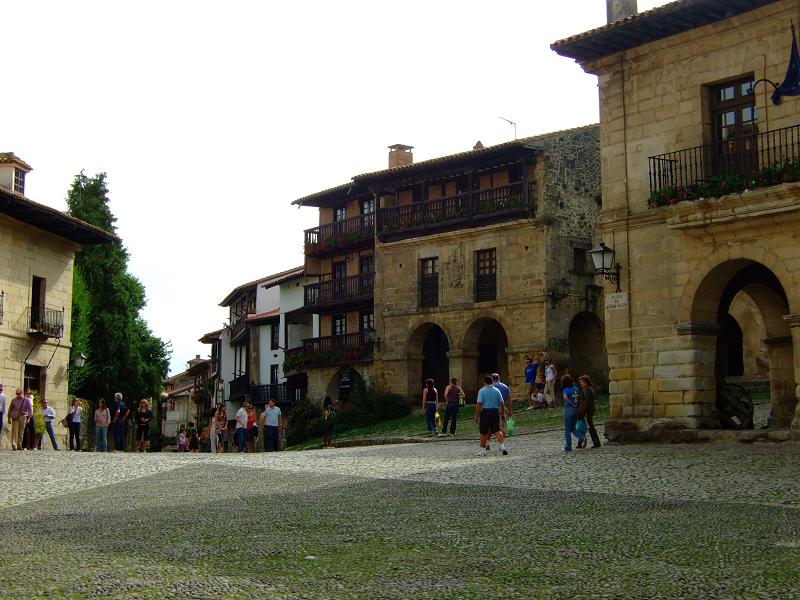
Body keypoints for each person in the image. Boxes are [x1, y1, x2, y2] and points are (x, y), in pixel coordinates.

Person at [475, 375, 508, 456]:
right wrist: (502, 413)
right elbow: (502, 403)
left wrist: (477, 415)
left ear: (484, 382)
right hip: (495, 411)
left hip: (485, 412)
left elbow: (479, 404)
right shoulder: (496, 390)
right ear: (492, 381)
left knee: (483, 432)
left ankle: (483, 451)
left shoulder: (482, 391)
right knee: (497, 430)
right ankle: (502, 447)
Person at [561, 374, 585, 453]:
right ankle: (582, 438)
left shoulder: (566, 389)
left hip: (569, 409)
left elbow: (565, 397)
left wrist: (570, 403)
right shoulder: (576, 388)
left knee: (567, 429)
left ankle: (568, 446)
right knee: (573, 428)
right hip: (576, 409)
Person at [578, 375, 601, 449]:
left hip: (588, 410)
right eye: (580, 382)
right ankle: (595, 442)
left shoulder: (586, 390)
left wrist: (584, 410)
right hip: (591, 409)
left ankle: (596, 442)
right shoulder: (589, 388)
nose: (581, 383)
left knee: (590, 427)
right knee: (590, 426)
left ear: (586, 382)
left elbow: (587, 401)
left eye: (582, 382)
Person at [0, 383, 6, 448]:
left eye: (1, 389)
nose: (0, 390)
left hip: (0, 413)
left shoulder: (3, 396)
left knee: (0, 426)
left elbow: (4, 406)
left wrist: (3, 415)